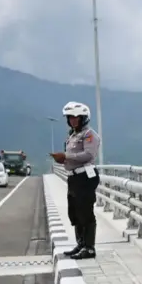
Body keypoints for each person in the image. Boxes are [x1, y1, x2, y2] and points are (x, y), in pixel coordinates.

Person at [50, 101, 101, 259]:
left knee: (86, 212)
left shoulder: (89, 134)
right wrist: (63, 160)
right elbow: (71, 156)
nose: (72, 120)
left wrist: (66, 156)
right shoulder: (72, 135)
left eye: (76, 117)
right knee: (75, 212)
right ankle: (80, 244)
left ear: (83, 118)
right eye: (70, 117)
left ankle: (89, 247)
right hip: (73, 177)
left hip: (85, 177)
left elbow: (88, 155)